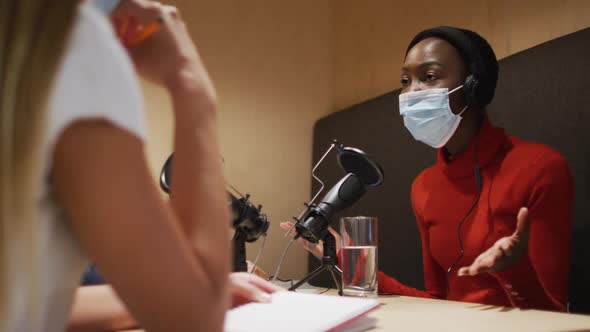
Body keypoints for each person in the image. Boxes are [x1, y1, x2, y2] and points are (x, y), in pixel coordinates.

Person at [1, 0, 279, 331]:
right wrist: (190, 80)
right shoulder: (73, 46)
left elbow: (21, 299)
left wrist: (157, 293)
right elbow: (193, 319)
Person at [282, 26, 573, 311]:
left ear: (474, 87)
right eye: (405, 80)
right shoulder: (424, 186)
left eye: (429, 77)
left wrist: (515, 269)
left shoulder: (540, 168)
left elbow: (555, 314)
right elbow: (437, 301)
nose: (411, 92)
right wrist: (351, 263)